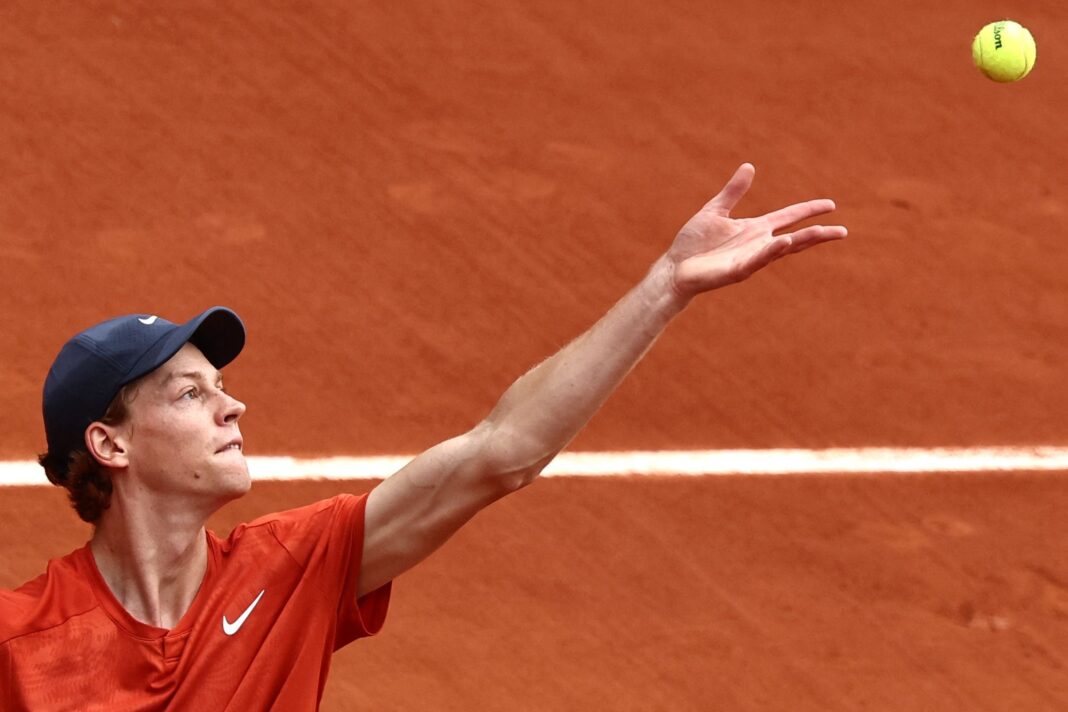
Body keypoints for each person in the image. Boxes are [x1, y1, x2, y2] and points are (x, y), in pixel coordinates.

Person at [0, 164, 846, 710]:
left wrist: (665, 287)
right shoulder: (21, 645)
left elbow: (501, 452)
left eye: (222, 387)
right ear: (110, 445)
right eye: (192, 394)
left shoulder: (291, 569)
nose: (234, 408)